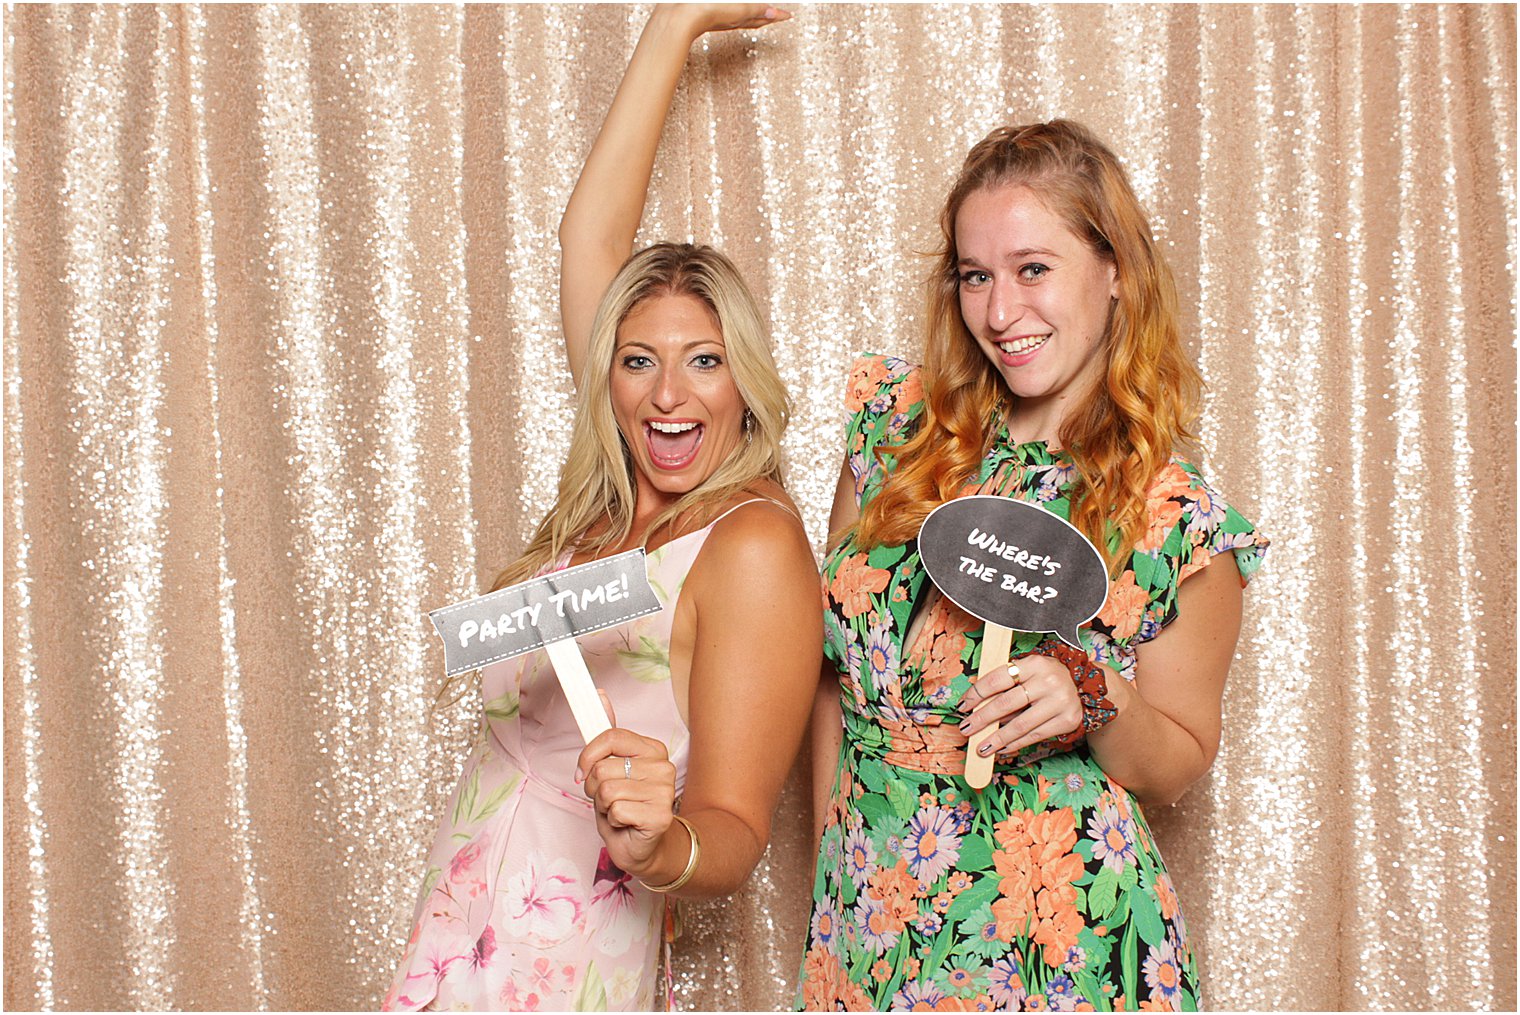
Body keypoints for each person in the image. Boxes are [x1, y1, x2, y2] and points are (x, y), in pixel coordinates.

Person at [384, 6, 818, 1011]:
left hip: (568, 951)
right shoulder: (611, 504)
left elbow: (736, 826)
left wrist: (662, 841)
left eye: (703, 362)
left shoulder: (748, 542)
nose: (668, 394)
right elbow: (589, 235)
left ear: (743, 382)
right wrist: (673, 23)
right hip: (458, 923)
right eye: (637, 361)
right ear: (609, 379)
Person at [798, 120, 1268, 1011]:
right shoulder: (895, 431)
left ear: (1116, 268)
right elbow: (833, 673)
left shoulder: (1174, 516)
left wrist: (1095, 696)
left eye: (1033, 269)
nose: (1001, 313)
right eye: (976, 275)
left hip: (1059, 940)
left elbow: (1177, 761)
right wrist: (838, 877)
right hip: (870, 911)